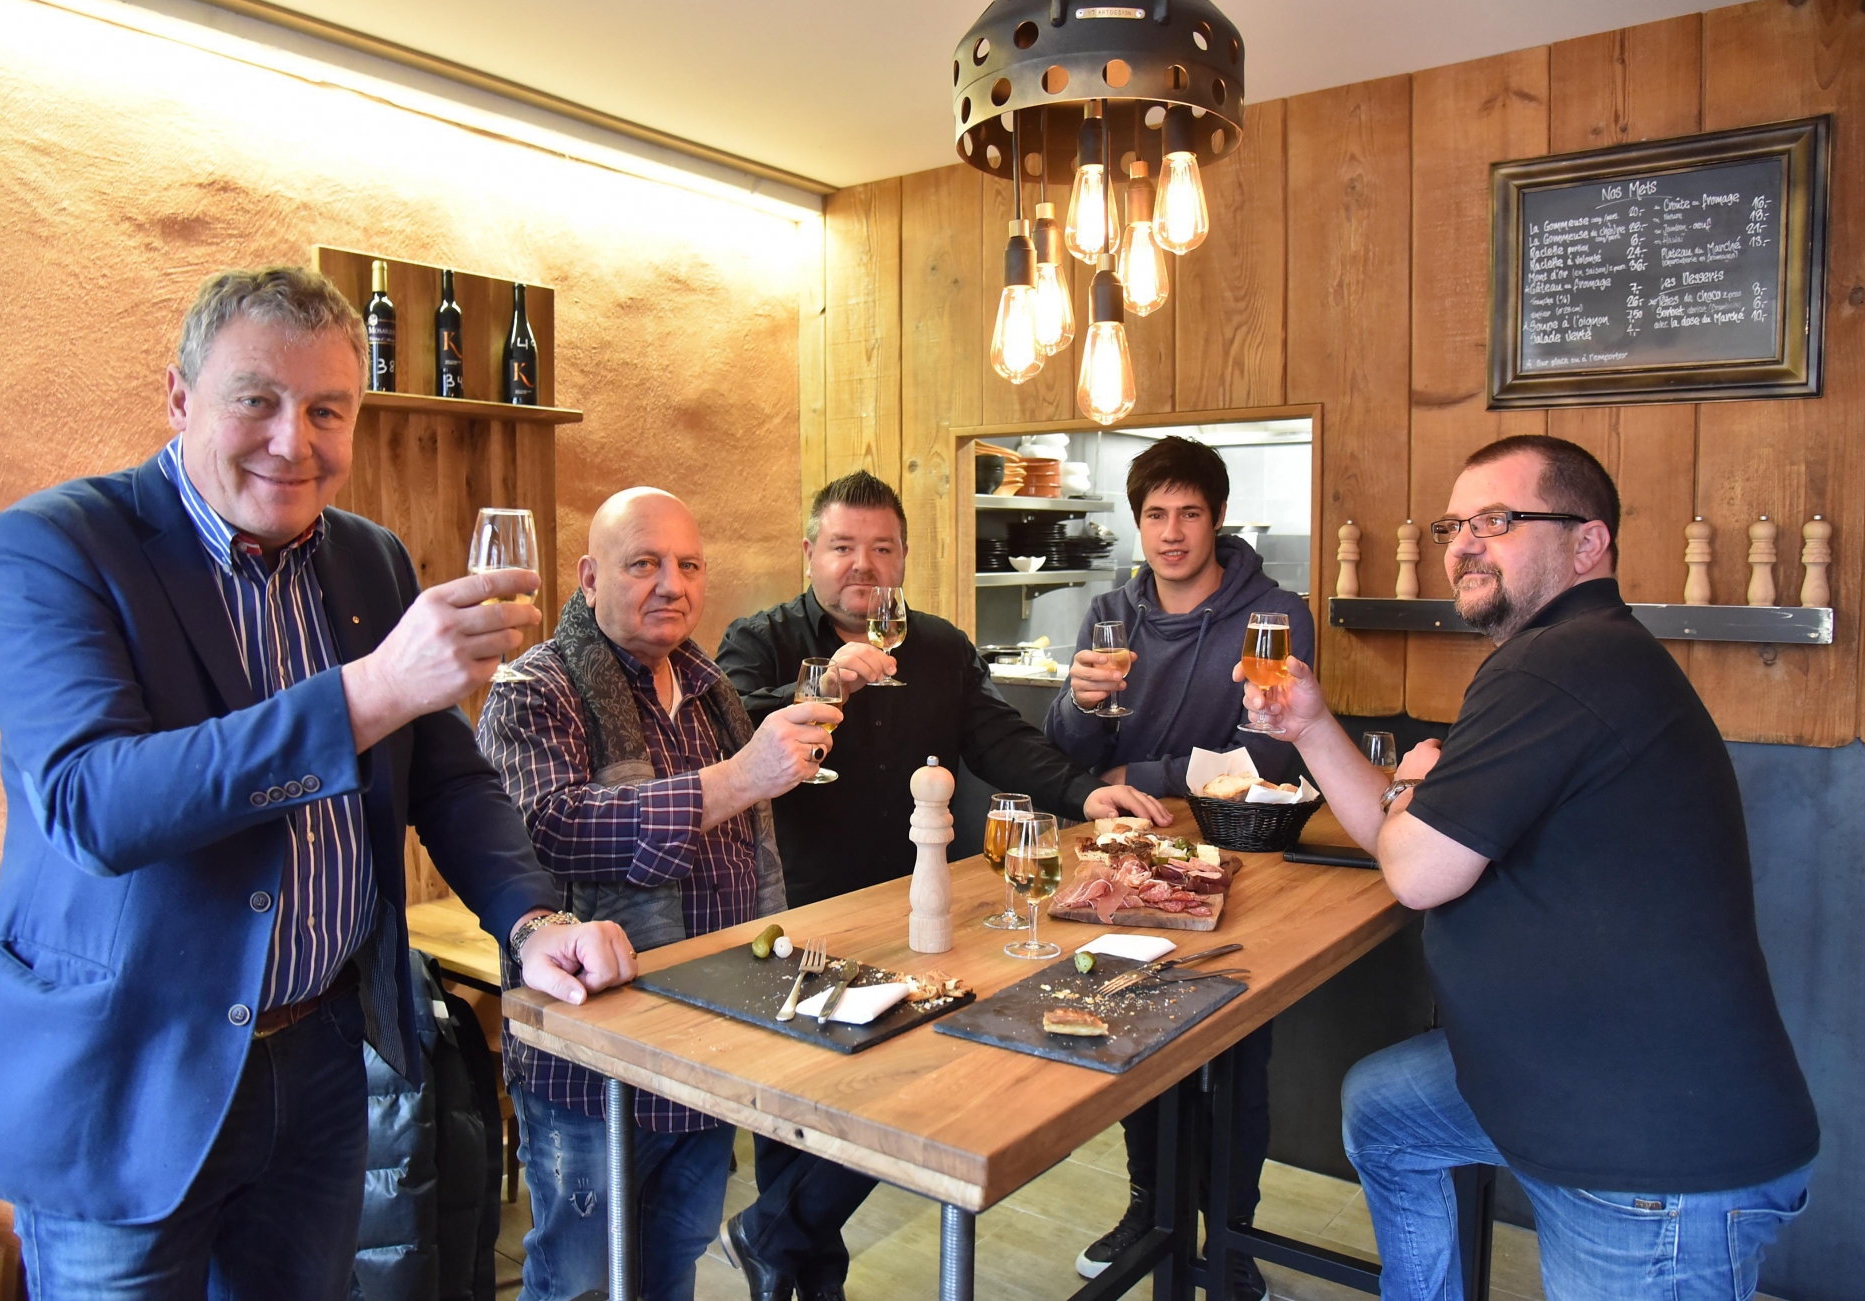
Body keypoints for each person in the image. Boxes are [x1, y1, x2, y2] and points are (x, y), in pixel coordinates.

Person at [0, 266, 636, 1300]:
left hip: (319, 1058)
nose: (292, 440)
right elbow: (93, 802)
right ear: (179, 397)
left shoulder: (369, 560)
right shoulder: (54, 545)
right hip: (128, 1077)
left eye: (326, 410)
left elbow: (445, 773)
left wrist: (529, 921)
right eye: (255, 398)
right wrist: (369, 690)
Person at [1237, 435, 1819, 1301]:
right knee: (1385, 1110)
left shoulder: (1561, 662)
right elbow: (1410, 845)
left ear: (1587, 544)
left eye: (1498, 520)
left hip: (1649, 1150)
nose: (1463, 543)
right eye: (1454, 524)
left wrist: (1407, 789)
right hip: (1555, 1071)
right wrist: (1312, 726)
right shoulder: (1564, 658)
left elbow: (1414, 871)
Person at [713, 470, 1171, 1301]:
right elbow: (728, 727)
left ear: (904, 557)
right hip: (797, 906)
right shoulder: (760, 638)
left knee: (902, 1097)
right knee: (802, 1107)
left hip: (912, 903)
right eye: (844, 546)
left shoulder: (939, 645)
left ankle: (775, 1238)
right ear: (809, 551)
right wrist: (824, 683)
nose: (863, 564)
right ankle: (796, 1275)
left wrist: (1082, 790)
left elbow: (994, 737)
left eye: (881, 548)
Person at [476, 487, 841, 1301]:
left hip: (706, 1045)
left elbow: (749, 852)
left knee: (671, 1266)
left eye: (687, 564)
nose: (669, 583)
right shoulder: (533, 688)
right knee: (579, 1281)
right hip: (591, 1062)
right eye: (642, 563)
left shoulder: (711, 687)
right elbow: (547, 828)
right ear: (587, 578)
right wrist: (739, 776)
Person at [1046, 436, 1312, 1299]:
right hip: (1128, 862)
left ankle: (1229, 1238)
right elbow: (1072, 749)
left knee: (1235, 1057)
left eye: (1188, 512)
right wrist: (1079, 703)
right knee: (1132, 1035)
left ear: (1218, 518)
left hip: (1242, 859)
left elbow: (1268, 749)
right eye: (1154, 514)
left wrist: (1140, 774)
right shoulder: (1107, 612)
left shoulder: (1272, 613)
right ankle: (1150, 1211)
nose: (1170, 532)